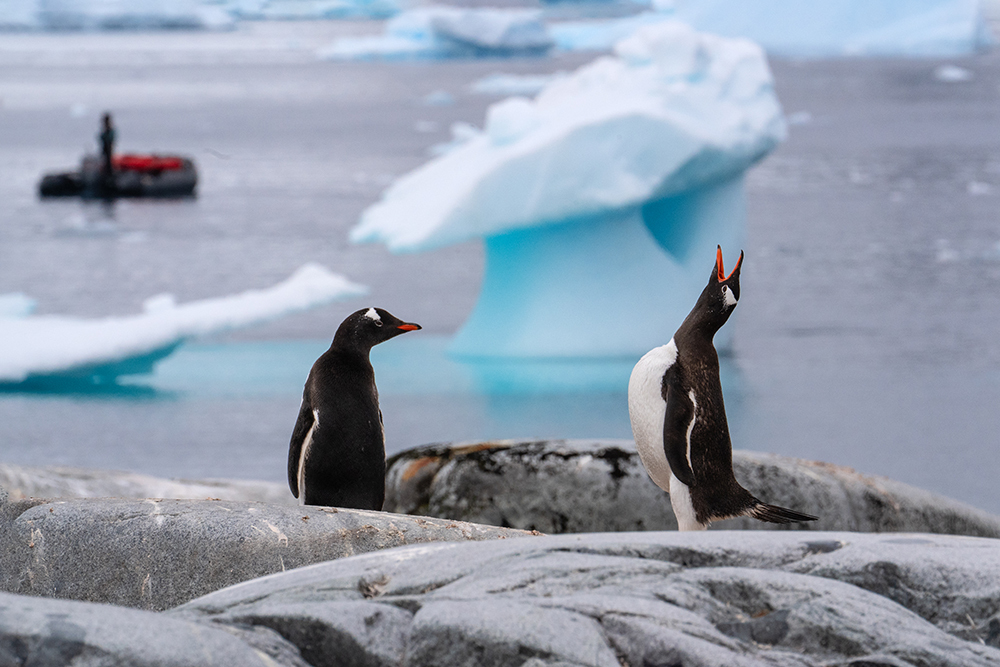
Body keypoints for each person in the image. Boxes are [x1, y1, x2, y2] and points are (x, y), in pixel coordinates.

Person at [98, 112, 116, 194]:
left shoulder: (110, 130)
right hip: (105, 149)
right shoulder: (107, 130)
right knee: (106, 162)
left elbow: (108, 139)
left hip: (108, 149)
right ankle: (107, 177)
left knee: (108, 162)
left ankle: (109, 178)